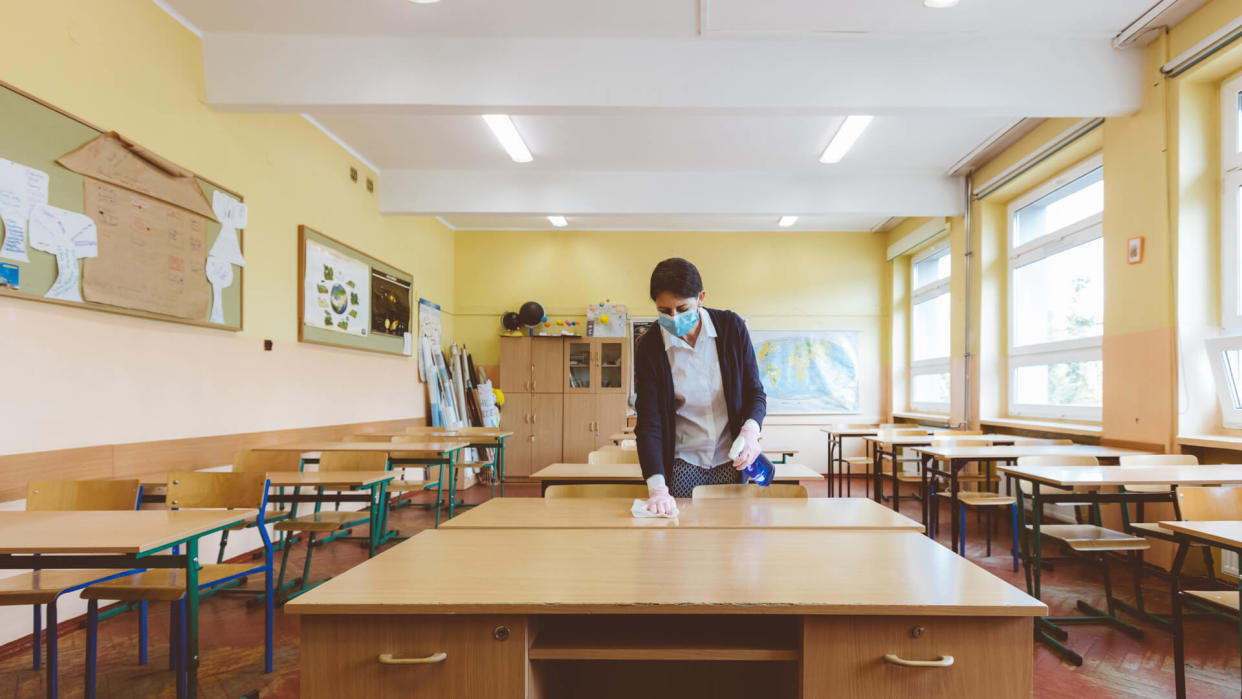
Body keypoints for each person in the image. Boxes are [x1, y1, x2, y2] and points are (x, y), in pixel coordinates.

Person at [634, 258, 767, 514]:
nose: (674, 318)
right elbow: (649, 423)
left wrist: (751, 430)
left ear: (701, 297)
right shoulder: (650, 347)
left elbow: (755, 393)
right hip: (683, 462)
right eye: (664, 311)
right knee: (685, 542)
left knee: (732, 538)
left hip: (732, 459)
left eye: (683, 308)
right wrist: (657, 488)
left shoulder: (731, 328)